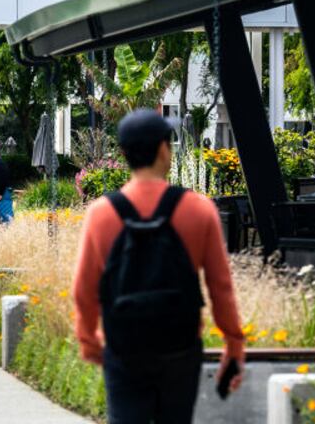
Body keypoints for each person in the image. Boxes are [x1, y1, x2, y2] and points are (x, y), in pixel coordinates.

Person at [73, 110, 245, 424]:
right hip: (180, 346)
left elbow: (84, 289)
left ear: (123, 154)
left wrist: (89, 339)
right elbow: (220, 287)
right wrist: (233, 342)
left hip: (125, 347)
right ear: (164, 150)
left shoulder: (101, 214)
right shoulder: (199, 209)